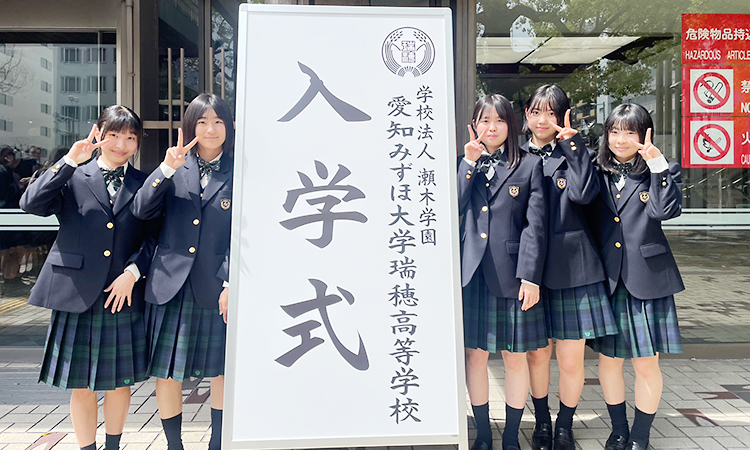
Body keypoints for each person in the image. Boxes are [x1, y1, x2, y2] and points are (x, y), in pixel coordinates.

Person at [19, 106, 155, 450]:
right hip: (76, 292)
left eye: (130, 137)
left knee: (120, 382)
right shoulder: (73, 175)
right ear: (98, 134)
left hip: (121, 292)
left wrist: (133, 272)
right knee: (81, 385)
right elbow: (30, 203)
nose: (121, 144)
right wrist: (69, 161)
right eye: (114, 135)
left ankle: (113, 446)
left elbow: (155, 237)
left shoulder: (144, 183)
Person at [132, 93, 234, 450]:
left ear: (228, 126)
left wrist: (230, 282)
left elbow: (245, 232)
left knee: (221, 369)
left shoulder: (239, 171)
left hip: (215, 284)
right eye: (202, 122)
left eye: (218, 121)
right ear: (190, 127)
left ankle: (218, 443)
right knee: (168, 370)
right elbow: (141, 211)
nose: (210, 129)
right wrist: (165, 169)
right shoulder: (175, 166)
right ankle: (174, 445)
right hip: (169, 284)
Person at [521, 85, 616, 450]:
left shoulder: (580, 154)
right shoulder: (516, 156)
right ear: (527, 115)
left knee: (571, 359)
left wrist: (573, 146)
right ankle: (542, 422)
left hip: (575, 270)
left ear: (563, 116)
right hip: (530, 272)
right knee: (536, 355)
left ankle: (564, 425)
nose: (542, 120)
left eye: (551, 113)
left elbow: (583, 194)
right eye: (536, 112)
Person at [587, 103, 684, 450]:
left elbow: (664, 210)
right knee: (609, 362)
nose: (621, 139)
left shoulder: (663, 169)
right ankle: (618, 430)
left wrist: (657, 166)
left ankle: (640, 436)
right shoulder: (596, 171)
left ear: (645, 134)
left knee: (646, 363)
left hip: (647, 279)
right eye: (614, 132)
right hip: (608, 280)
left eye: (630, 132)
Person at [458, 93, 547, 450]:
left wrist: (531, 276)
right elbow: (451, 207)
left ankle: (511, 436)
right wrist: (468, 163)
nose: (491, 127)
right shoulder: (465, 162)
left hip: (513, 275)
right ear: (474, 124)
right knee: (474, 356)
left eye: (499, 120)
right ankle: (483, 433)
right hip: (473, 274)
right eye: (484, 120)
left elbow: (535, 226)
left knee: (515, 356)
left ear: (511, 124)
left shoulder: (529, 165)